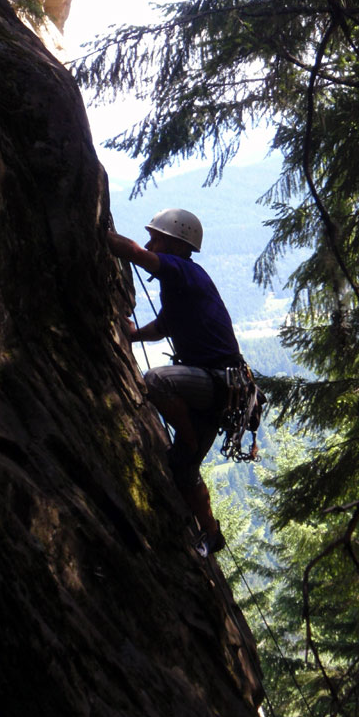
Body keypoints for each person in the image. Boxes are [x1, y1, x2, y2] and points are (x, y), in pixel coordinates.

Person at [108, 208, 244, 556]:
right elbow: (165, 326)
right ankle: (212, 532)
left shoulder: (184, 271)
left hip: (214, 382)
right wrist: (134, 335)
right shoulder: (182, 285)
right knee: (183, 469)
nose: (153, 243)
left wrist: (97, 234)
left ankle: (188, 433)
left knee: (156, 380)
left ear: (177, 245)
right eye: (153, 238)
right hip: (220, 388)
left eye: (158, 238)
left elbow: (138, 254)